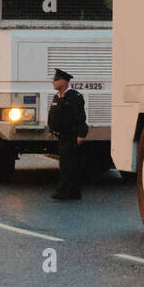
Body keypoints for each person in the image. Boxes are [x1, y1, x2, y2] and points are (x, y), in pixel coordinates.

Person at [47, 68, 87, 201]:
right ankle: (73, 191)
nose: (53, 81)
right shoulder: (57, 97)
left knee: (68, 164)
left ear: (64, 81)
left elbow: (80, 117)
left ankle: (65, 191)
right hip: (62, 135)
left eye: (56, 79)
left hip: (72, 135)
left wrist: (81, 134)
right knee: (67, 163)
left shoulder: (74, 97)